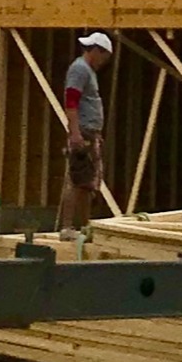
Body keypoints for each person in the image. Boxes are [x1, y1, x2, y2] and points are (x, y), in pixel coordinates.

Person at [58, 31, 110, 231]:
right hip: (84, 131)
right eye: (104, 56)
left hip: (90, 132)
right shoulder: (80, 69)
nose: (103, 62)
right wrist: (75, 133)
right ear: (96, 50)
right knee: (77, 179)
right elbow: (71, 100)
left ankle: (84, 226)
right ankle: (68, 227)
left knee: (88, 182)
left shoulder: (87, 71)